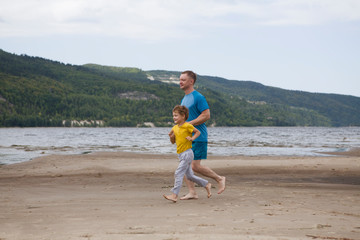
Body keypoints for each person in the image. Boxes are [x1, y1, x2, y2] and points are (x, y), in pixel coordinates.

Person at [179, 70, 226, 200]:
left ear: (191, 81)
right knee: (185, 165)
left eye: (183, 79)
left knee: (194, 166)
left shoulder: (198, 97)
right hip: (187, 138)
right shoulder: (184, 99)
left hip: (199, 137)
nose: (180, 82)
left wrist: (189, 124)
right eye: (180, 79)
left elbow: (206, 115)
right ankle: (192, 192)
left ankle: (219, 178)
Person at [164, 105, 212, 203]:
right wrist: (170, 136)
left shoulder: (187, 126)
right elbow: (173, 141)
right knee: (189, 176)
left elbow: (198, 132)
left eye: (176, 115)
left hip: (187, 153)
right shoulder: (174, 128)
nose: (174, 117)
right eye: (173, 115)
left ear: (183, 116)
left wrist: (192, 138)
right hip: (181, 154)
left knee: (178, 173)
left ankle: (174, 195)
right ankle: (206, 184)